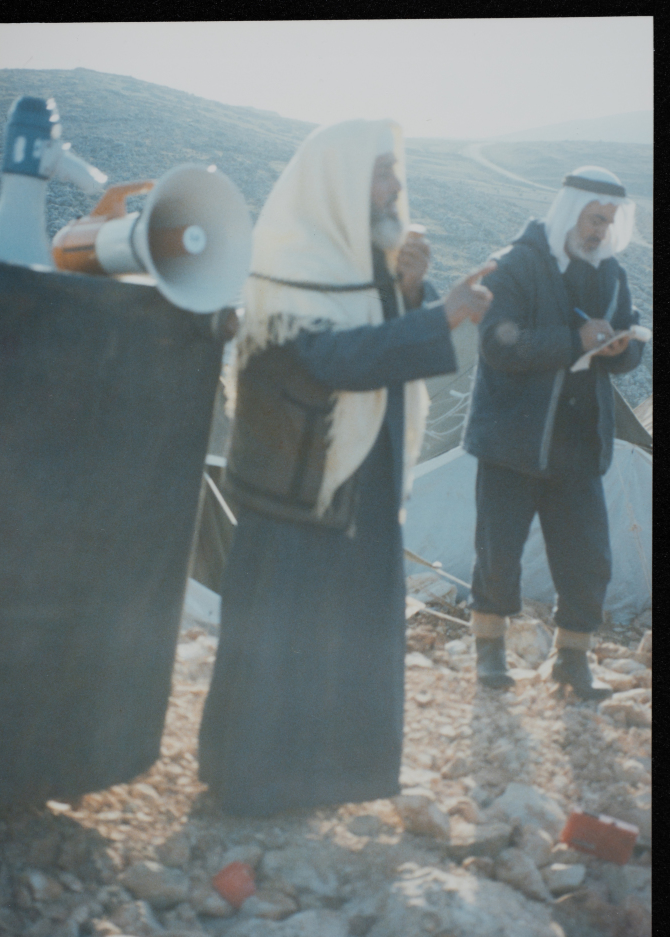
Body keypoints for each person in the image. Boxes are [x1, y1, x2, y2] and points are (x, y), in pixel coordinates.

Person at [197, 119, 494, 816]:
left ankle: (326, 778)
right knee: (280, 632)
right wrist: (439, 318)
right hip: (297, 487)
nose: (396, 188)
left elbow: (366, 338)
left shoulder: (357, 256)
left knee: (343, 631)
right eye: (381, 172)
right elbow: (331, 359)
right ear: (338, 182)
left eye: (396, 172)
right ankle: (252, 785)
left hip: (356, 481)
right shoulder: (292, 257)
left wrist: (410, 293)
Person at [462, 166, 646, 701]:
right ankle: (490, 656)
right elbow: (498, 345)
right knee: (499, 552)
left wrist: (622, 348)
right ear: (570, 212)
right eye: (593, 218)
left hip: (578, 444)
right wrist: (574, 340)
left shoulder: (610, 273)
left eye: (608, 221)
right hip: (512, 440)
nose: (599, 230)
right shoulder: (515, 264)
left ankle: (571, 663)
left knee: (587, 557)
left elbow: (629, 338)